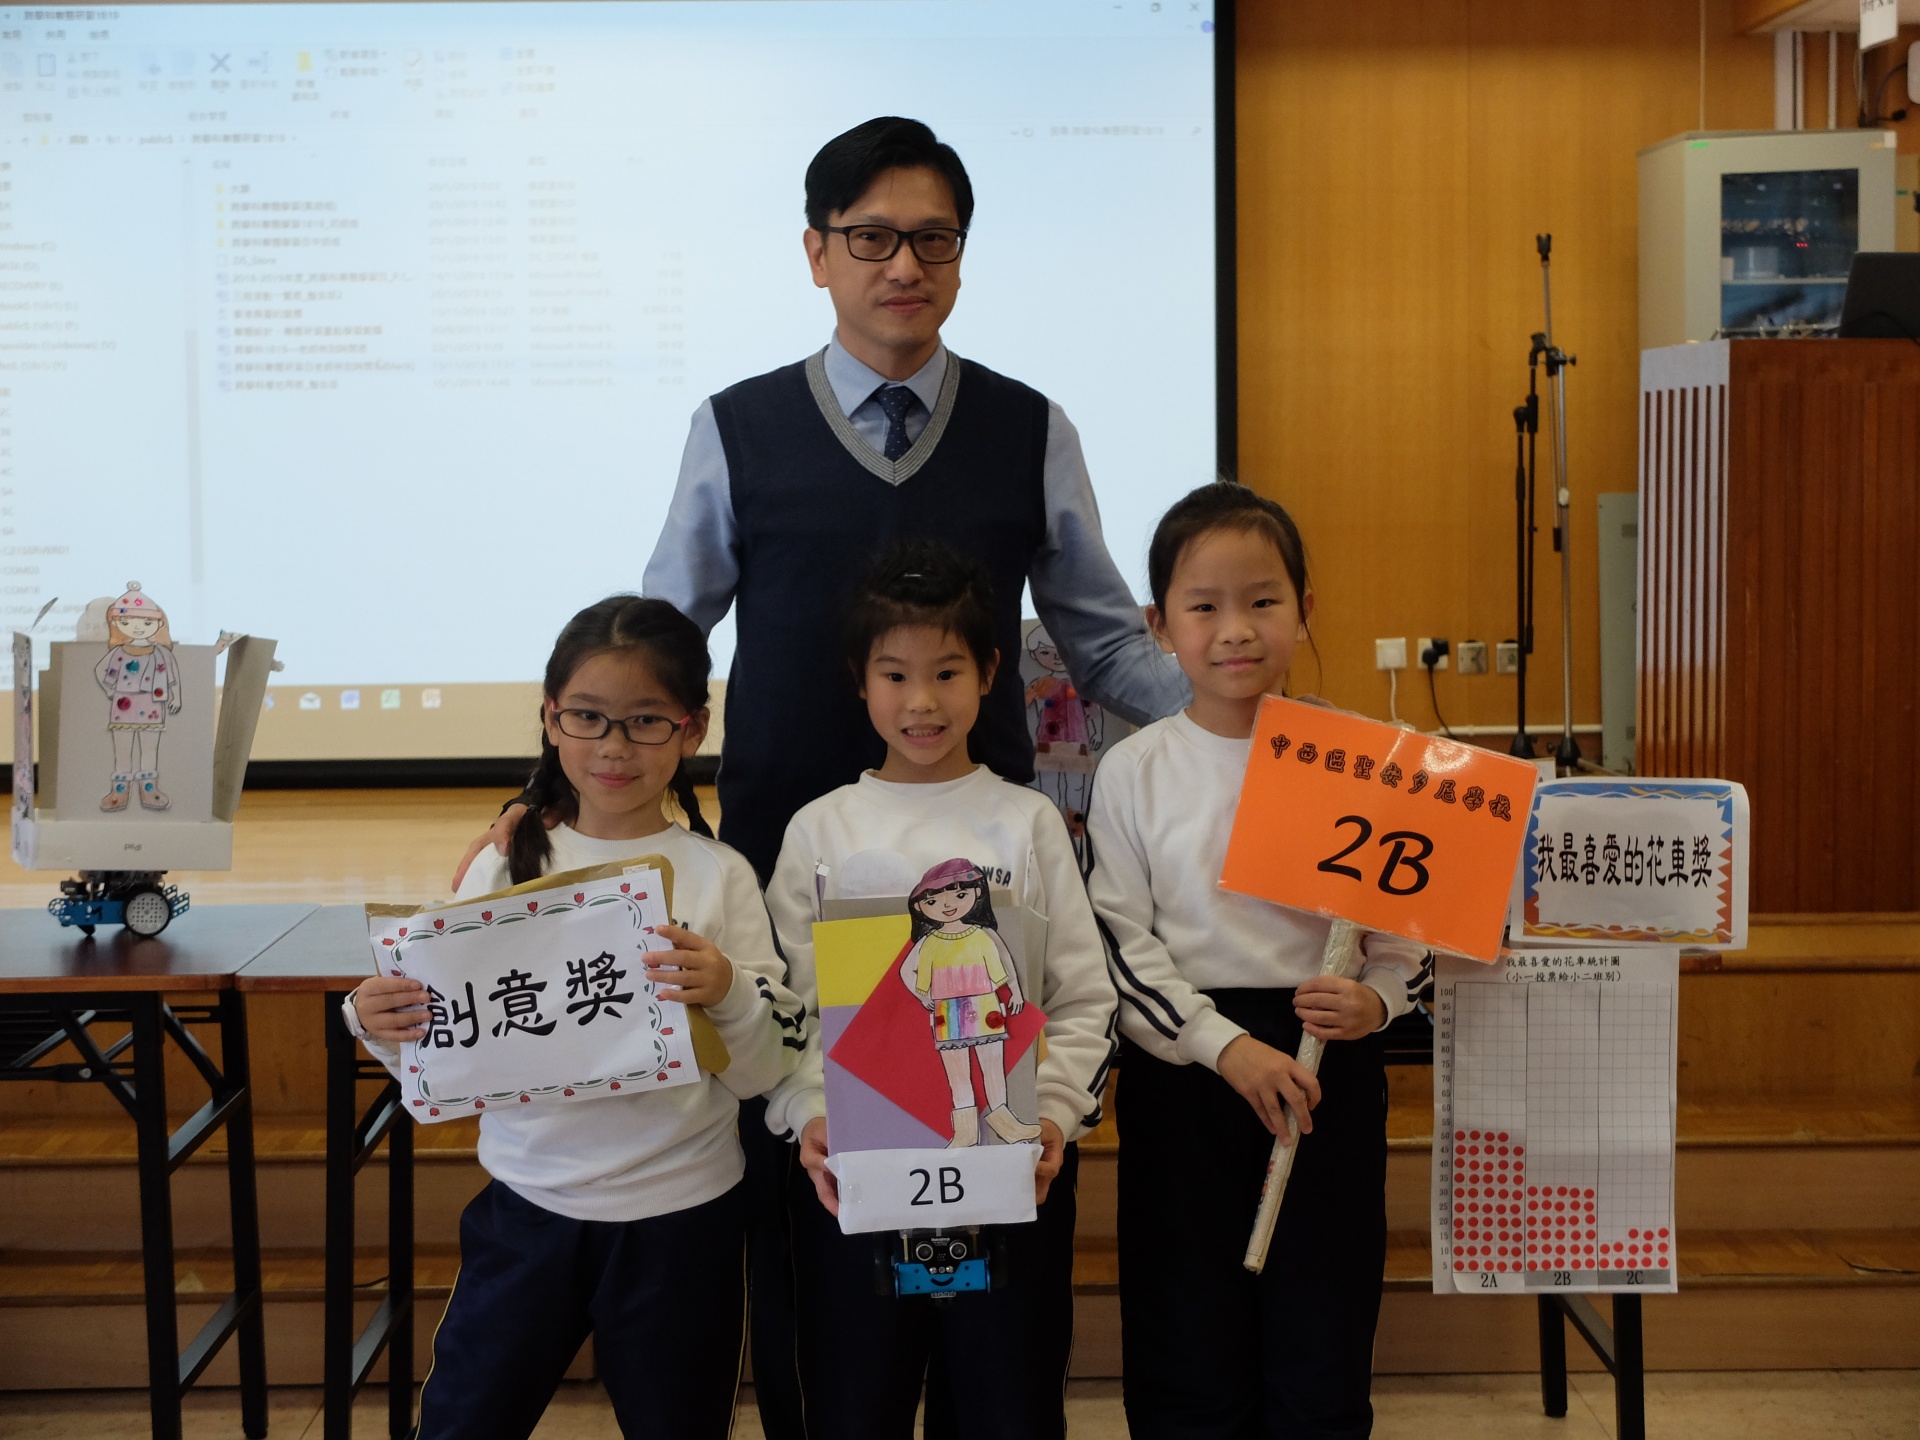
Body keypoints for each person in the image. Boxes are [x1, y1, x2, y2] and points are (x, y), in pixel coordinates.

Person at [455, 115, 1187, 1439]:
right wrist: (548, 783)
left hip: (978, 875)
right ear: (816, 252)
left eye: (933, 239)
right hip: (789, 877)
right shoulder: (736, 427)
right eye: (871, 237)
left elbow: (1105, 640)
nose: (904, 265)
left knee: (990, 1295)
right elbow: (656, 637)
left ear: (961, 256)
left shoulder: (1030, 426)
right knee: (818, 1255)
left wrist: (1254, 736)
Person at [347, 597, 804, 1440]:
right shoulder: (503, 866)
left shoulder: (719, 876)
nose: (614, 746)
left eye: (646, 721)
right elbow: (448, 1056)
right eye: (587, 717)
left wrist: (729, 991)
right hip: (529, 1207)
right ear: (550, 718)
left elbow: (767, 1070)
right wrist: (379, 1021)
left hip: (683, 1219)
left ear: (693, 729)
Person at [1086, 483, 1430, 1440]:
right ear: (1161, 626)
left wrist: (1377, 1001)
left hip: (1326, 1061)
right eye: (1204, 606)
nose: (1235, 629)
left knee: (1322, 1321)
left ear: (1304, 609)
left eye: (1263, 601)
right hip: (1190, 1071)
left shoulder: (1360, 757)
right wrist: (1224, 1047)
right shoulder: (1136, 769)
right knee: (1187, 1326)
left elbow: (1407, 936)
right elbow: (1120, 945)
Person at [762, 541, 1116, 1440]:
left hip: (1013, 1174)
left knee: (1008, 1409)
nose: (921, 701)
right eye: (895, 675)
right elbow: (788, 1011)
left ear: (990, 673)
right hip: (857, 1178)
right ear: (860, 680)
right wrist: (807, 1111)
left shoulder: (1028, 822)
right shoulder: (820, 831)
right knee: (855, 1406)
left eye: (947, 673)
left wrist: (1054, 1115)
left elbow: (1082, 996)